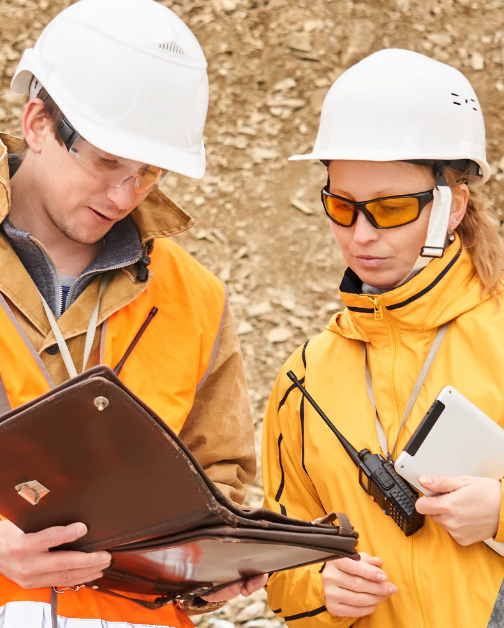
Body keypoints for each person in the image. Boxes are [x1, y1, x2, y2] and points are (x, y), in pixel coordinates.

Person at [261, 49, 504, 628]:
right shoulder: (302, 381)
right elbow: (278, 565)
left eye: (389, 208)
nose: (360, 235)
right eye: (342, 206)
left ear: (453, 205)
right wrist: (319, 588)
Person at [0, 0, 265, 625]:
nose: (125, 195)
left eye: (149, 172)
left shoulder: (196, 299)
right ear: (38, 122)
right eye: (108, 161)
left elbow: (219, 482)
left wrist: (212, 570)